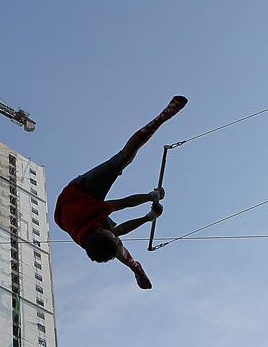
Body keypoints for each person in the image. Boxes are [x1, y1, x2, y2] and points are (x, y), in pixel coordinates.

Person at [54, 95, 188, 289]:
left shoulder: (88, 214)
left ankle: (161, 118)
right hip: (85, 221)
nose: (115, 236)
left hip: (79, 191)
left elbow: (125, 202)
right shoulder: (94, 242)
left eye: (112, 235)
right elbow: (116, 235)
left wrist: (152, 196)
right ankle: (136, 268)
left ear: (101, 230)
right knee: (117, 249)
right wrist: (148, 217)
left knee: (121, 160)